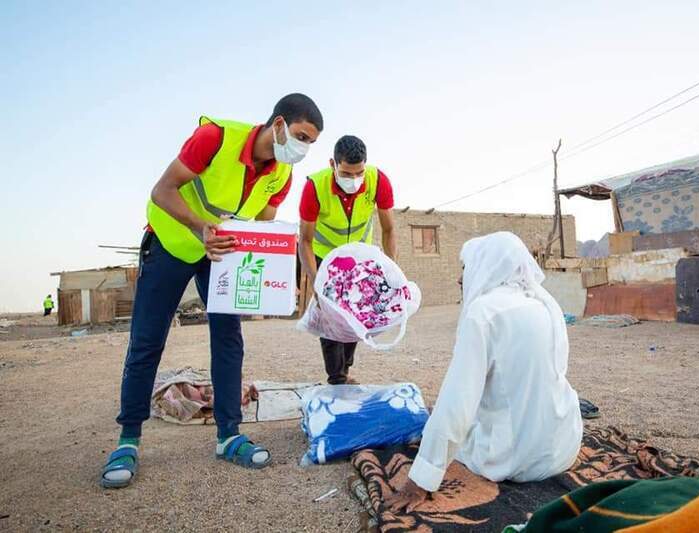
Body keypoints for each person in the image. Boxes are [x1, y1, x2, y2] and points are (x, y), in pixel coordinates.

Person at [100, 93, 323, 489]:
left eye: (311, 143)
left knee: (228, 337)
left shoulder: (280, 175)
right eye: (302, 137)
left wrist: (269, 275)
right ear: (278, 125)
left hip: (218, 254)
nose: (304, 149)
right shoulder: (214, 138)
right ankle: (128, 440)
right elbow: (162, 191)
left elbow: (262, 224)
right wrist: (200, 227)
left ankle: (228, 436)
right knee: (148, 340)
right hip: (172, 242)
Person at [386, 232, 583, 512]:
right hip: (563, 448)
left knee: (444, 421)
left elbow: (458, 405)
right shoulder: (545, 304)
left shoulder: (484, 312)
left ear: (488, 265)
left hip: (514, 460)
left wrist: (420, 481)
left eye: (465, 268)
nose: (460, 278)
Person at [298, 135, 397, 385]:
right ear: (333, 164)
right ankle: (336, 376)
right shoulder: (315, 186)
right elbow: (305, 240)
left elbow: (389, 229)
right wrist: (315, 283)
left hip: (358, 258)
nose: (353, 180)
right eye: (346, 173)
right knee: (331, 316)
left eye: (358, 173)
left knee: (356, 311)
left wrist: (390, 268)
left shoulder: (378, 180)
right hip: (326, 257)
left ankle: (345, 368)